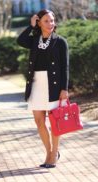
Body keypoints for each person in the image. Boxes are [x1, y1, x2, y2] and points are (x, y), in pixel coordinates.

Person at [17, 9, 69, 168]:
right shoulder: (34, 40)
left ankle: (54, 154)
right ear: (39, 23)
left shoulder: (60, 42)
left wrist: (64, 89)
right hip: (36, 84)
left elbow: (65, 67)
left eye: (52, 20)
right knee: (39, 121)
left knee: (54, 122)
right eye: (46, 21)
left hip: (53, 84)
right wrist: (31, 26)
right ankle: (49, 152)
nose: (50, 24)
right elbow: (20, 40)